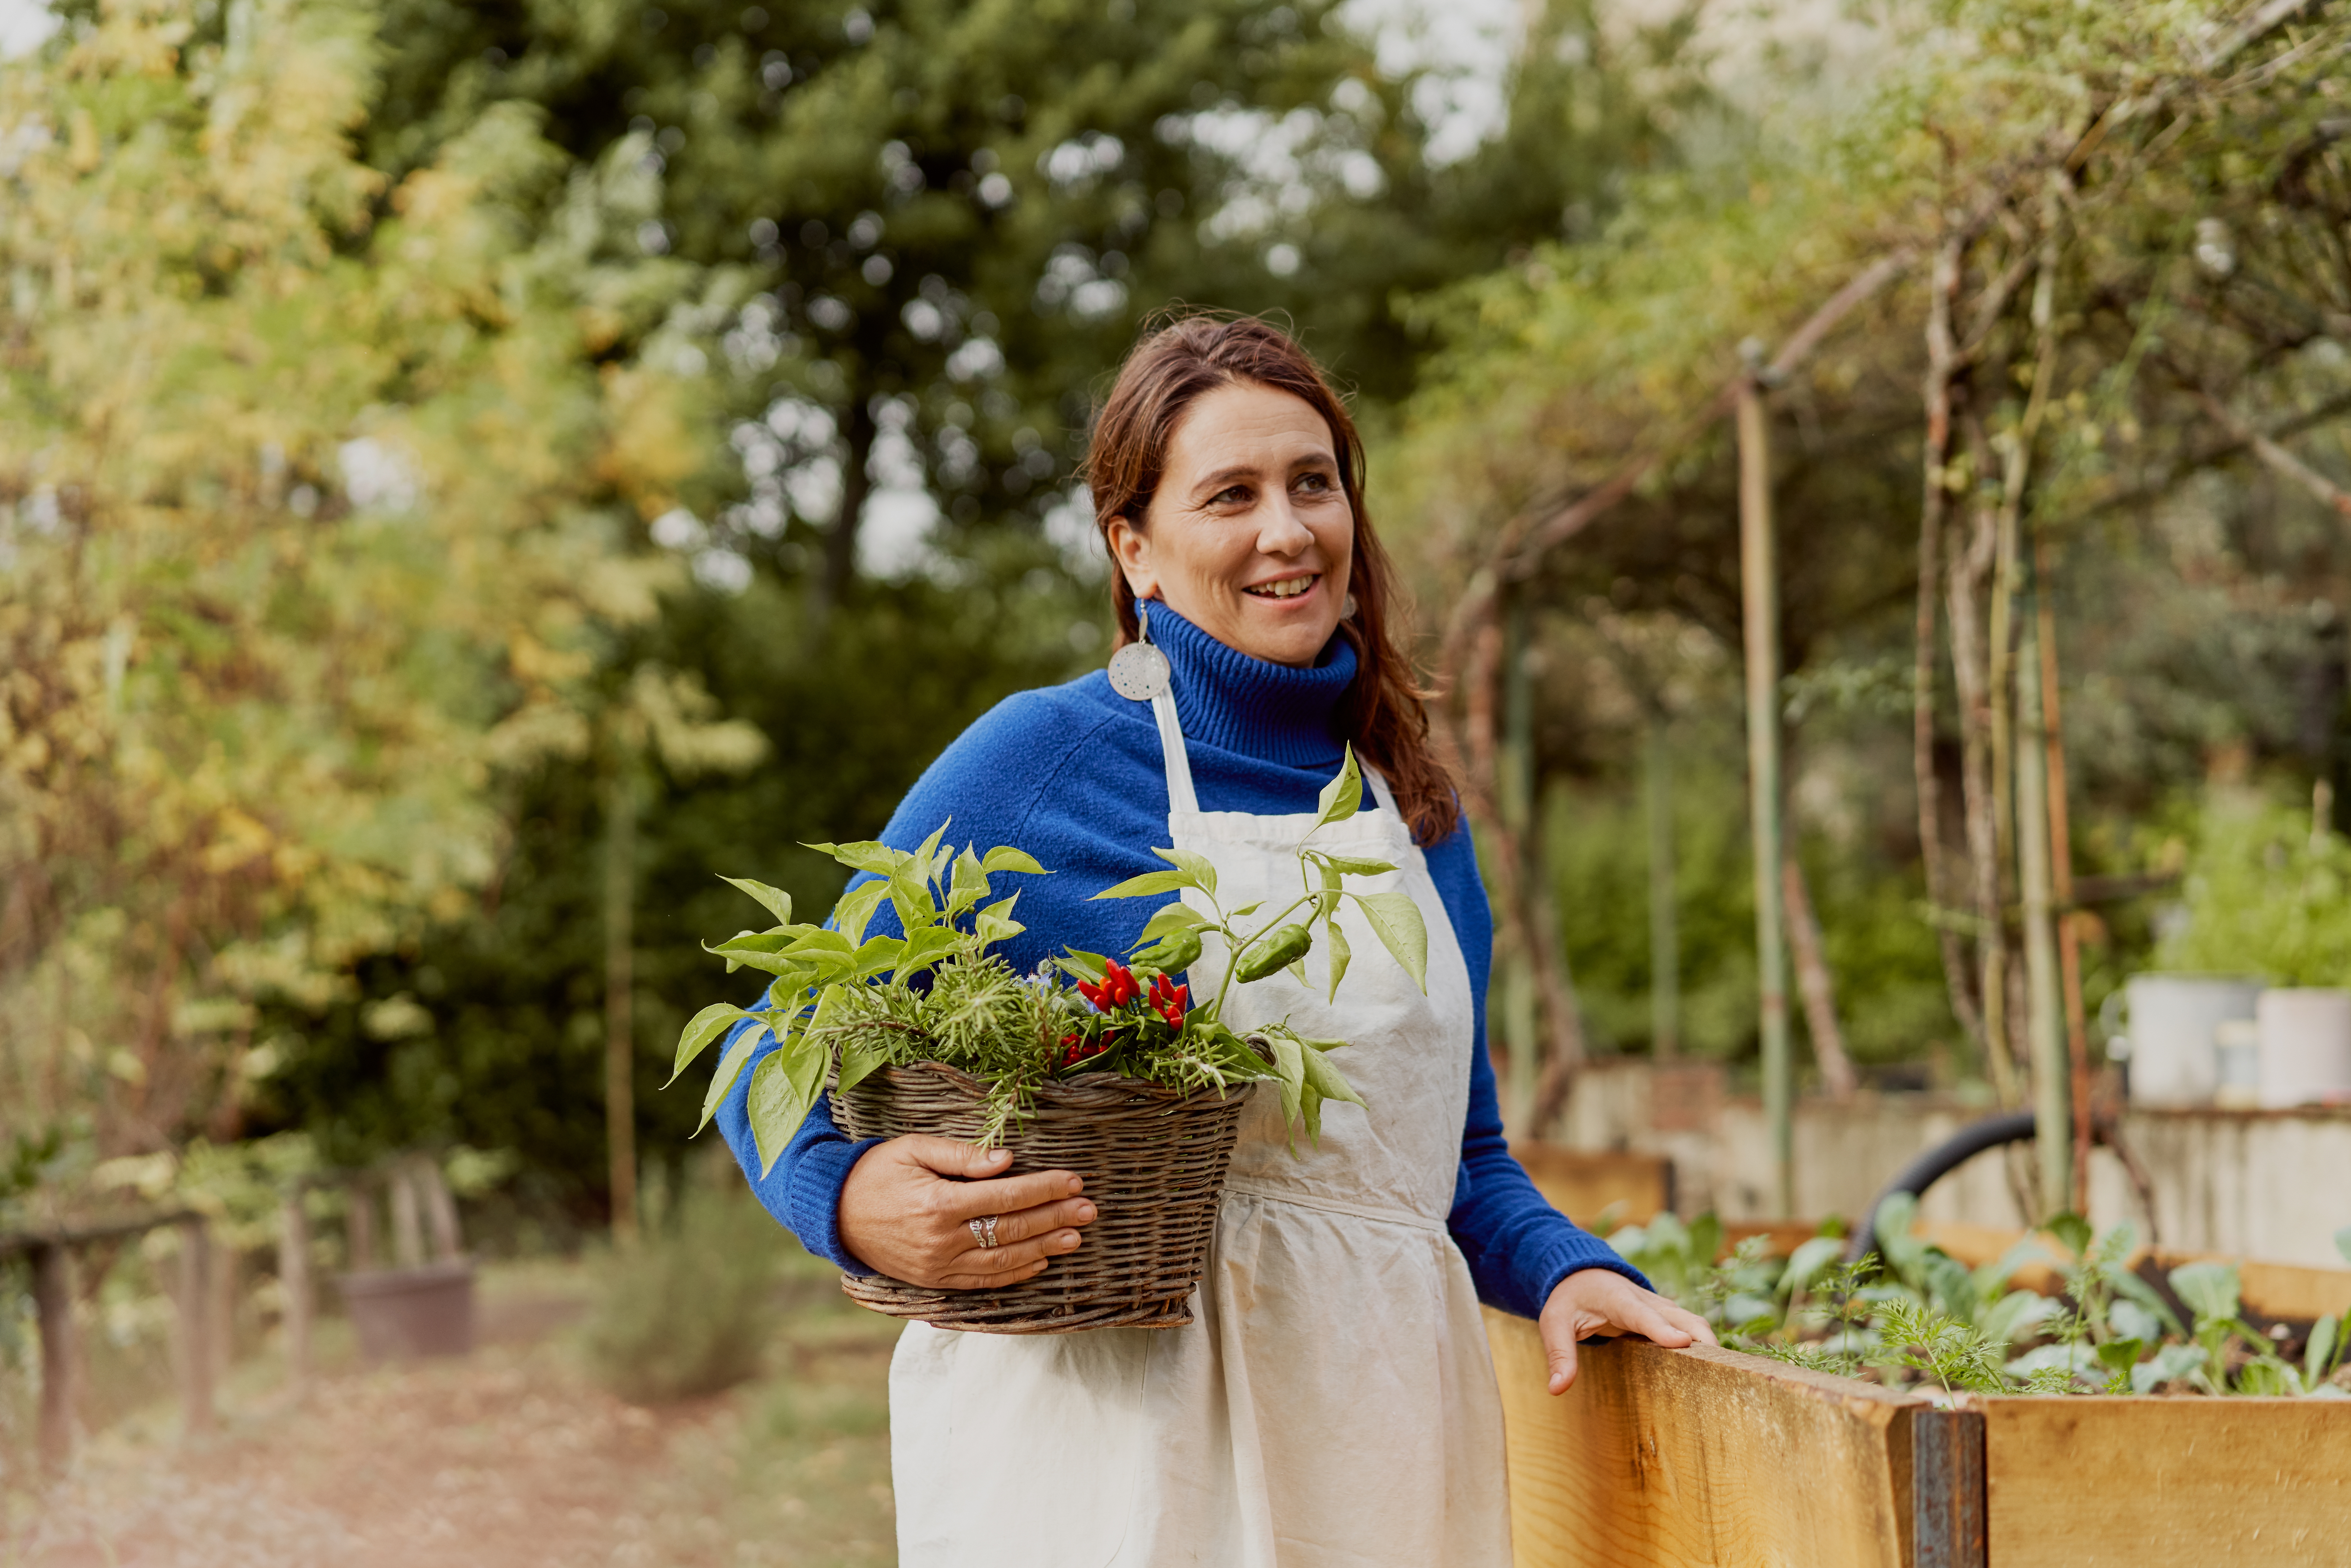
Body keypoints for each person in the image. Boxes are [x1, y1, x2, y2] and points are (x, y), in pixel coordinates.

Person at [716, 313, 1713, 1567]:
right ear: (1135, 548)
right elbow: (775, 1035)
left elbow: (1452, 1165)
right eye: (1229, 495)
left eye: (1314, 483)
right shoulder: (1039, 764)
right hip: (1113, 1450)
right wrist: (847, 1195)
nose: (1288, 530)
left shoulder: (1415, 806)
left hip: (1378, 1438)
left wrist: (1565, 1268)